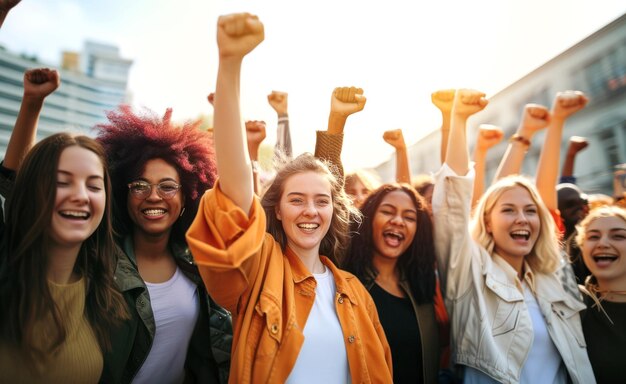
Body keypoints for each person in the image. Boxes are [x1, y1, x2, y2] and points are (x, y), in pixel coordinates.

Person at [186, 12, 392, 383]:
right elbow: (234, 192)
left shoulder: (356, 291)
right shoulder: (261, 269)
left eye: (322, 201)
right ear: (276, 211)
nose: (310, 210)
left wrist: (336, 127)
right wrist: (230, 65)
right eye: (296, 200)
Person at [433, 88, 595, 383]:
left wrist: (555, 120)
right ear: (487, 221)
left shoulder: (552, 277)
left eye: (530, 211)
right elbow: (452, 207)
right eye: (508, 210)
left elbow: (547, 205)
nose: (522, 218)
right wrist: (458, 120)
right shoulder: (470, 277)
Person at [95, 105, 231, 384]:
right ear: (123, 193)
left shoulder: (199, 265)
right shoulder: (98, 259)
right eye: (140, 185)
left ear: (188, 197)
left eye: (167, 187)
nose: (153, 196)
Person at [0, 133, 128, 383]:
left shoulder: (108, 303)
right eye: (61, 182)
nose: (81, 196)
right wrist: (32, 103)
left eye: (93, 186)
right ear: (29, 192)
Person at [343, 183, 441, 383]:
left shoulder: (421, 287)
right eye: (387, 212)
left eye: (409, 217)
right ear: (368, 219)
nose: (398, 221)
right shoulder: (344, 279)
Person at [575, 205, 626, 383]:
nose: (602, 243)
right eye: (593, 237)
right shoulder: (571, 305)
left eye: (618, 236)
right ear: (582, 248)